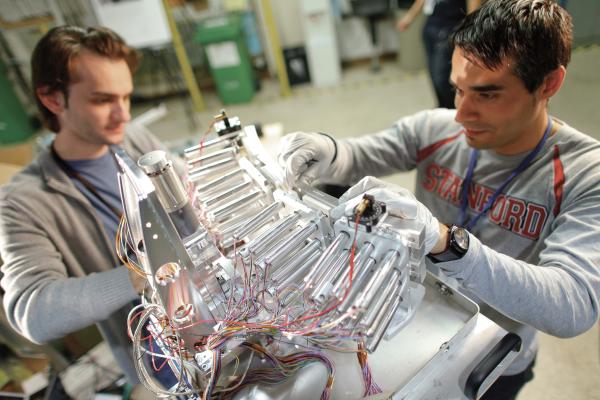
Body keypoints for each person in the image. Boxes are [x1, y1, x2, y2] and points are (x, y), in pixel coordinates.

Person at [279, 0, 600, 398]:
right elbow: (358, 154)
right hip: (414, 332)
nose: (461, 114)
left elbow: (572, 303)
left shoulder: (587, 174)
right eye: (457, 89)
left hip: (489, 358)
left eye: (486, 95)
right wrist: (323, 149)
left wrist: (447, 243)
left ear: (549, 83)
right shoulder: (436, 128)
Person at [0, 26, 171, 386]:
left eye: (126, 97)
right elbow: (31, 312)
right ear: (52, 99)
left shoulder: (133, 139)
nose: (123, 114)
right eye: (102, 100)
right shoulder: (24, 202)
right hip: (158, 357)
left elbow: (182, 181)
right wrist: (139, 275)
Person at [396, 0, 481, 108]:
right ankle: (443, 107)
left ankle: (455, 109)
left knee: (442, 78)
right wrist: (409, 17)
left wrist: (469, 36)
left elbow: (473, 14)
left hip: (450, 30)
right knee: (434, 76)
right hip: (431, 27)